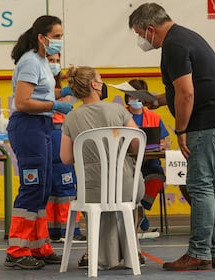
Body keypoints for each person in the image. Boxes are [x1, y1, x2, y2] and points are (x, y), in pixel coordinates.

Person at [129, 2, 215, 270]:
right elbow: (195, 85)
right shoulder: (187, 35)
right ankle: (214, 252)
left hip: (209, 123)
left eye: (138, 33)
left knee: (200, 185)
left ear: (150, 29)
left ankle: (199, 252)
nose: (140, 39)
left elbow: (187, 93)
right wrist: (159, 99)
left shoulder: (173, 46)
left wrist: (181, 129)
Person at [3, 15, 73, 270]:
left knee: (43, 188)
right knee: (32, 187)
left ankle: (38, 245)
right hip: (28, 126)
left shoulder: (43, 62)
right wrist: (56, 104)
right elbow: (23, 102)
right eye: (56, 37)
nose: (60, 42)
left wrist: (62, 92)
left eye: (61, 37)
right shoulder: (30, 62)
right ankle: (17, 249)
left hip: (41, 125)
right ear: (42, 37)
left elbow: (40, 93)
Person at [60, 65, 145, 269]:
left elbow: (65, 158)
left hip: (91, 191)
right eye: (101, 78)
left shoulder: (71, 117)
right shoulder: (117, 110)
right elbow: (137, 142)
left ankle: (96, 253)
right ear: (94, 84)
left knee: (98, 203)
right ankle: (132, 252)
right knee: (131, 197)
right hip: (125, 187)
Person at [45, 53, 86, 243]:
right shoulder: (39, 84)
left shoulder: (63, 87)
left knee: (55, 184)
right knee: (65, 183)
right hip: (55, 134)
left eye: (55, 61)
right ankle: (70, 230)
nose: (54, 64)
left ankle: (54, 230)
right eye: (50, 60)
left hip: (56, 133)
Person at [125, 79, 169, 231]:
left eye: (139, 97)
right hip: (129, 162)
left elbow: (164, 141)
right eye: (132, 97)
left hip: (150, 162)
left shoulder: (154, 117)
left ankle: (139, 209)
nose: (136, 101)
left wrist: (162, 144)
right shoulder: (121, 115)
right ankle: (138, 215)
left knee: (158, 177)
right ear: (127, 97)